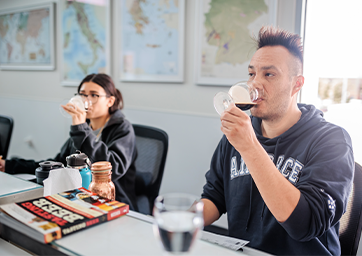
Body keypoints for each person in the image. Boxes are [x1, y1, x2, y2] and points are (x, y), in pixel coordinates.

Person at [201, 26, 354, 256]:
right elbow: (214, 197)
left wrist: (250, 147)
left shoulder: (332, 141)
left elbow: (304, 224)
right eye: (252, 74)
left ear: (297, 84)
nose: (254, 84)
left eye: (269, 74)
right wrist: (180, 218)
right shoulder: (239, 135)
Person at [0, 73, 138, 211]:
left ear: (110, 101)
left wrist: (80, 128)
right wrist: (9, 165)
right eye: (82, 94)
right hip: (79, 197)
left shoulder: (122, 128)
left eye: (94, 95)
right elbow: (57, 165)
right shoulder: (85, 127)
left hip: (112, 201)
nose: (86, 100)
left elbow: (113, 169)